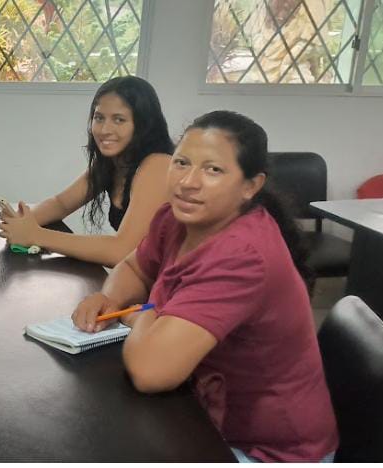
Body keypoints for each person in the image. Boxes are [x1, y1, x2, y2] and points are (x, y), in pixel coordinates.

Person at [71, 111, 338, 462]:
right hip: (204, 417)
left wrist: (141, 314)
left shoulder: (242, 255)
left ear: (250, 186)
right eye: (181, 163)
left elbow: (151, 372)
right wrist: (110, 298)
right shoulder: (176, 217)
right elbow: (135, 267)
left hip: (269, 451)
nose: (188, 182)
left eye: (213, 170)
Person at [0, 76, 173, 266]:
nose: (104, 130)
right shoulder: (113, 163)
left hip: (174, 281)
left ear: (144, 124)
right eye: (99, 118)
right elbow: (61, 204)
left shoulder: (158, 164)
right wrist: (21, 221)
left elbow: (122, 251)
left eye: (119, 120)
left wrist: (35, 235)